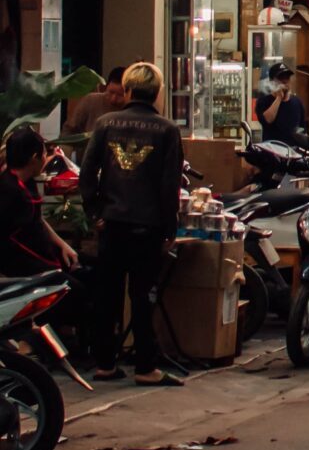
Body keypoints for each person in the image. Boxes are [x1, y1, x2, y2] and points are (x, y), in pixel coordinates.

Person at [79, 62, 184, 386]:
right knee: (142, 296)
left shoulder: (106, 123)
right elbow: (169, 186)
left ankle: (105, 364)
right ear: (157, 92)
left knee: (107, 295)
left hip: (111, 224)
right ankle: (145, 367)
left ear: (127, 90)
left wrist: (95, 210)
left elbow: (86, 172)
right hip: (147, 227)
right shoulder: (167, 130)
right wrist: (170, 228)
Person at [1, 126, 80, 275]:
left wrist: (63, 245)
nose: (47, 157)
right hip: (26, 268)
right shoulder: (10, 191)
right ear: (34, 158)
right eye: (44, 153)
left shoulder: (28, 181)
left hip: (42, 258)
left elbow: (38, 220)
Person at [254, 62, 308, 146]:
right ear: (271, 81)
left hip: (292, 150)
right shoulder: (264, 101)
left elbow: (302, 129)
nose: (285, 81)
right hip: (272, 150)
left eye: (287, 78)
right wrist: (278, 98)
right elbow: (267, 120)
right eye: (281, 78)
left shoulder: (297, 102)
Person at [65, 66, 126, 137]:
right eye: (111, 92)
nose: (113, 99)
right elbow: (70, 128)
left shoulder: (131, 109)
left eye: (120, 95)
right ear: (106, 87)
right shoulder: (91, 100)